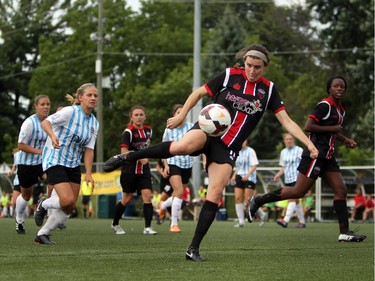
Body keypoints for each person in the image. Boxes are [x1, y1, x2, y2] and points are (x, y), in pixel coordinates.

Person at [106, 44, 319, 261]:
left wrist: (308, 145)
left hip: (228, 147)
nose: (252, 71)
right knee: (181, 146)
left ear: (265, 67)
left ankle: (193, 249)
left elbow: (287, 121)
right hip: (207, 131)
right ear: (244, 62)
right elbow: (199, 92)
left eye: (257, 67)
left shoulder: (269, 90)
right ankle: (126, 157)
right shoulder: (229, 75)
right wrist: (182, 116)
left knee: (215, 193)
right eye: (249, 65)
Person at [248, 76, 367, 243]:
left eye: (342, 86)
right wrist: (333, 128)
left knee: (341, 190)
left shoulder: (341, 110)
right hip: (315, 154)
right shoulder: (324, 105)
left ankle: (345, 232)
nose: (340, 88)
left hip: (328, 156)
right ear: (329, 89)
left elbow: (332, 132)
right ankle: (259, 200)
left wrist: (345, 140)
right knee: (298, 192)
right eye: (336, 86)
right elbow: (308, 126)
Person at [33, 83, 99, 244]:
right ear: (80, 97)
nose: (93, 98)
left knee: (69, 207)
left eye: (95, 96)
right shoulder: (69, 112)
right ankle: (44, 204)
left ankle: (42, 234)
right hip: (55, 159)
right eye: (89, 95)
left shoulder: (94, 123)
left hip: (73, 164)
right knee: (67, 200)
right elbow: (45, 123)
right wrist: (52, 136)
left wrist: (89, 173)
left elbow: (89, 150)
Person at [110, 105, 157, 235]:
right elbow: (123, 152)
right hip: (129, 170)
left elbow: (146, 147)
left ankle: (148, 227)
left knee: (147, 196)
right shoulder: (128, 132)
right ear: (131, 117)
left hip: (144, 170)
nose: (139, 117)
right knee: (126, 199)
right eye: (136, 115)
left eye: (141, 114)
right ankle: (115, 223)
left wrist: (146, 155)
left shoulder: (148, 130)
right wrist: (139, 157)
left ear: (145, 116)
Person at [15, 95, 50, 234]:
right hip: (26, 164)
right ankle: (19, 219)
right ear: (36, 106)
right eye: (42, 104)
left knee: (55, 182)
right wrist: (40, 152)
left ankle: (47, 211)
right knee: (26, 196)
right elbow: (21, 145)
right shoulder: (29, 123)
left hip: (42, 163)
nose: (46, 107)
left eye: (48, 104)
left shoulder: (50, 122)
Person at [160, 104, 194, 233]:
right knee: (179, 192)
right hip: (173, 162)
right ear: (174, 115)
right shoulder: (169, 129)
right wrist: (166, 165)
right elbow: (164, 149)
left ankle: (163, 205)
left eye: (183, 112)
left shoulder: (191, 127)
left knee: (177, 194)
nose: (181, 115)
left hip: (187, 164)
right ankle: (173, 224)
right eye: (178, 112)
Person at [230, 139, 266, 227]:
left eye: (244, 141)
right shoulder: (237, 151)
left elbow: (254, 166)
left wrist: (247, 175)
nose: (242, 142)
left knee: (248, 200)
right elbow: (238, 166)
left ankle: (262, 214)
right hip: (239, 176)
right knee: (238, 198)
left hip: (249, 178)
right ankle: (241, 222)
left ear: (246, 142)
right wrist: (234, 175)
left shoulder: (250, 151)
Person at [273, 133, 306, 228]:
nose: (289, 140)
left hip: (297, 178)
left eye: (290, 139)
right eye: (287, 139)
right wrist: (278, 175)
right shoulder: (283, 152)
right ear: (284, 141)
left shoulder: (299, 150)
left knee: (292, 199)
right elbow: (283, 167)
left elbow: (305, 163)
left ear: (294, 140)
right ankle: (302, 222)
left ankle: (285, 220)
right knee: (296, 201)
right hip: (288, 179)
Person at [8, 148, 22, 218]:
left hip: (27, 180)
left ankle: (20, 216)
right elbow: (14, 166)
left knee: (24, 199)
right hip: (17, 180)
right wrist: (11, 171)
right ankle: (17, 216)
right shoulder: (16, 155)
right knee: (14, 202)